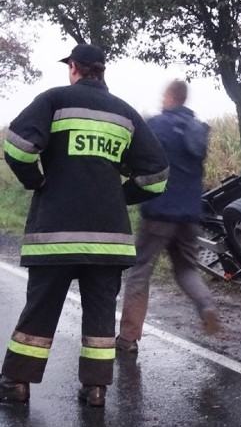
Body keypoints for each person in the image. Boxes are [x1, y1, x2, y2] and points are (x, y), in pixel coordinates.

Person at [0, 43, 170, 407]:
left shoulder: (55, 100)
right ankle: (95, 390)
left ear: (74, 67)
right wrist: (119, 196)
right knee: (100, 315)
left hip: (55, 236)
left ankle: (16, 384)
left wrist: (35, 181)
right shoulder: (126, 114)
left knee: (41, 309)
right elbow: (156, 176)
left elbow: (16, 147)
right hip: (108, 241)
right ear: (102, 71)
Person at [116, 80, 220, 356]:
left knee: (140, 270)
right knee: (186, 269)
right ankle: (206, 305)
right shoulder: (197, 129)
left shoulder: (156, 125)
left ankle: (128, 337)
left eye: (164, 95)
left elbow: (137, 159)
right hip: (189, 214)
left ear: (171, 97)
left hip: (159, 211)